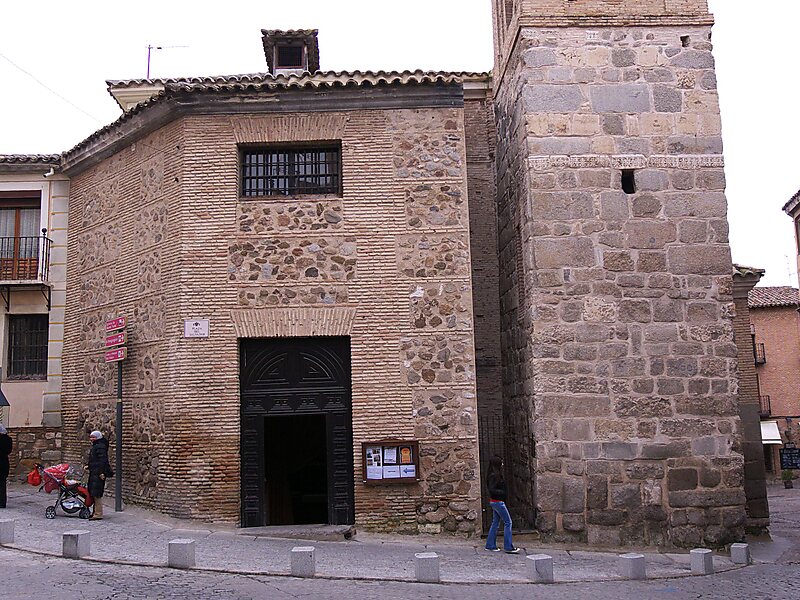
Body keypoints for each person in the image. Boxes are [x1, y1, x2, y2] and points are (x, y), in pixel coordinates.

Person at [484, 455, 519, 553]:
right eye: (501, 462)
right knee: (508, 522)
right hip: (498, 502)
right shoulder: (494, 476)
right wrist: (503, 493)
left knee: (495, 523)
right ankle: (508, 546)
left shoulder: (493, 474)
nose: (503, 464)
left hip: (495, 502)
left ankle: (490, 545)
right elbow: (492, 489)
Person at [87, 430, 112, 520]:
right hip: (95, 471)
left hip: (98, 473)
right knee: (94, 492)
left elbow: (102, 461)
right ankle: (95, 512)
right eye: (91, 437)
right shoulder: (97, 446)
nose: (91, 439)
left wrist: (101, 472)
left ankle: (98, 513)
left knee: (97, 493)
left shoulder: (100, 447)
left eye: (93, 437)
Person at [0, 424, 11, 509]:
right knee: (2, 484)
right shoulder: (8, 440)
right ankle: (2, 502)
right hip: (4, 463)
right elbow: (8, 451)